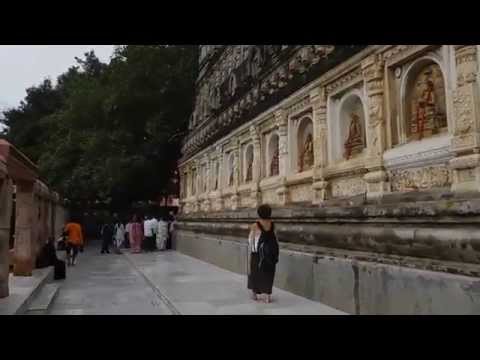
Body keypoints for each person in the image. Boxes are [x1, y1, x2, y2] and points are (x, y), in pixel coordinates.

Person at [247, 204, 279, 304]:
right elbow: (276, 238)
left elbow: (250, 240)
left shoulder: (255, 225)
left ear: (259, 213)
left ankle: (254, 294)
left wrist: (250, 253)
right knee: (269, 273)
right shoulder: (273, 224)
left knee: (255, 273)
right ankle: (268, 296)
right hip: (270, 253)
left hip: (257, 253)